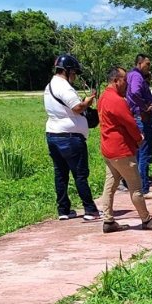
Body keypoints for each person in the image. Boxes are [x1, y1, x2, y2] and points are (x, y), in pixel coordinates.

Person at [94, 65, 152, 233]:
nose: (126, 84)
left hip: (108, 149)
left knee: (110, 186)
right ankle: (146, 219)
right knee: (136, 187)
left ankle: (108, 220)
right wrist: (139, 138)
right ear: (115, 81)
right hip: (122, 150)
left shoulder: (104, 97)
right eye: (124, 81)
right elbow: (130, 123)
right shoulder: (117, 100)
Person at [43, 53, 102, 222]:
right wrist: (88, 101)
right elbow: (77, 107)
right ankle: (90, 209)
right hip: (69, 138)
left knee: (61, 174)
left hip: (53, 134)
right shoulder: (64, 86)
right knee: (80, 174)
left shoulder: (50, 86)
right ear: (67, 71)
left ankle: (63, 209)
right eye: (74, 73)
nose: (75, 77)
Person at [126, 53, 152, 196]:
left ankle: (138, 188)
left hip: (140, 118)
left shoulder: (133, 76)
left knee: (140, 155)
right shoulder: (137, 76)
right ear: (139, 64)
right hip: (142, 119)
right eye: (147, 64)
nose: (149, 67)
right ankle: (144, 189)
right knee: (143, 154)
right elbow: (134, 92)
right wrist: (144, 107)